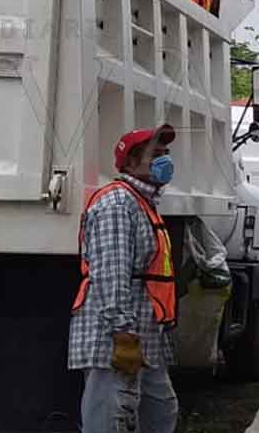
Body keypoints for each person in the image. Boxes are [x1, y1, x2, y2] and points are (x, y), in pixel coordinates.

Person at [69, 124, 179, 433]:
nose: (164, 160)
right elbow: (111, 273)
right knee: (110, 420)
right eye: (155, 154)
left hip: (146, 337)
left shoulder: (143, 203)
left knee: (160, 412)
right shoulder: (118, 204)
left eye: (165, 153)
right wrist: (122, 333)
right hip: (116, 340)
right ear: (130, 162)